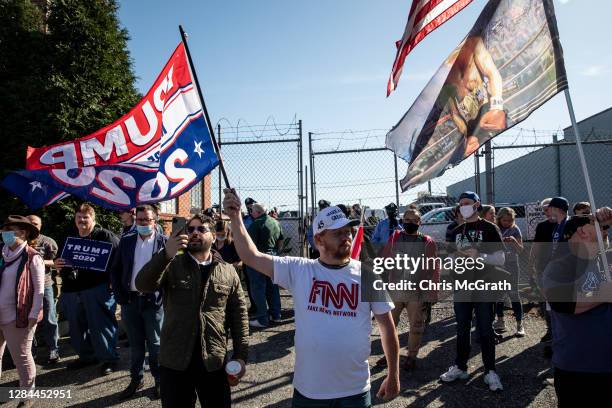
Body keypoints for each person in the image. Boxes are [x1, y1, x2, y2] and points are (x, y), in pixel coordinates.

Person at [223, 189, 400, 406]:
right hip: (310, 392)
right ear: (319, 239)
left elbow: (387, 329)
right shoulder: (299, 270)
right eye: (338, 233)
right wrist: (235, 217)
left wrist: (393, 374)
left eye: (348, 231)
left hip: (356, 390)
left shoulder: (368, 274)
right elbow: (251, 256)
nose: (347, 236)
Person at [136, 213, 248, 408]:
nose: (195, 233)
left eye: (201, 229)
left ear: (213, 236)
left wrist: (240, 356)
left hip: (213, 361)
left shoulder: (228, 271)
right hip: (175, 361)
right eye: (190, 229)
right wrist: (166, 254)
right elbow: (143, 284)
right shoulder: (172, 264)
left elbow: (239, 316)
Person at [542, 209, 612, 407]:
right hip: (578, 367)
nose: (606, 231)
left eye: (605, 228)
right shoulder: (560, 265)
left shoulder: (607, 260)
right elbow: (561, 300)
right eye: (598, 226)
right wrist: (605, 293)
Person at [440, 191, 505, 392]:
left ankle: (490, 371)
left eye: (466, 203)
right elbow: (448, 261)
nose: (463, 207)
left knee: (485, 329)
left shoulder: (490, 228)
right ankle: (460, 366)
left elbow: (500, 259)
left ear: (477, 205)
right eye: (460, 204)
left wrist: (480, 255)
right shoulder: (455, 231)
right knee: (462, 328)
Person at [54, 203, 120, 375]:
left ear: (93, 218)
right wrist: (57, 263)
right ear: (75, 219)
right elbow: (59, 259)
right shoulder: (69, 237)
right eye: (79, 217)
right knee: (76, 327)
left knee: (101, 325)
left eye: (86, 217)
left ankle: (109, 359)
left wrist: (115, 280)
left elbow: (119, 259)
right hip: (71, 289)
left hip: (98, 287)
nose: (82, 220)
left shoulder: (105, 236)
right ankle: (86, 356)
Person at [110, 205, 166, 400]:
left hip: (154, 302)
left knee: (156, 344)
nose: (142, 223)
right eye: (139, 220)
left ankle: (160, 381)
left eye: (147, 220)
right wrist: (120, 296)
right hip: (130, 301)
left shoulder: (164, 243)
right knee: (136, 344)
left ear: (155, 221)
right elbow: (115, 270)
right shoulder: (126, 241)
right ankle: (136, 379)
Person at [376, 209, 439, 371]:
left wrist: (433, 291)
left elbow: (433, 268)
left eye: (414, 220)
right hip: (395, 289)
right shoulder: (395, 237)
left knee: (416, 325)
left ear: (420, 222)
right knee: (389, 325)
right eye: (406, 219)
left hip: (416, 292)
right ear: (402, 220)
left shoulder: (427, 241)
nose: (409, 223)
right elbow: (384, 259)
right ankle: (388, 354)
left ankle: (411, 356)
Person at [0, 216, 44, 408]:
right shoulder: (1, 255)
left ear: (24, 233)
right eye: (4, 230)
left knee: (22, 357)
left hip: (19, 316)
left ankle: (27, 396)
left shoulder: (33, 257)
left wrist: (33, 315)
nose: (6, 234)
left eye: (11, 230)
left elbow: (39, 289)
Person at [26, 215, 61, 365]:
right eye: (30, 223)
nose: (33, 225)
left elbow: (57, 262)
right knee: (27, 320)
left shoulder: (48, 242)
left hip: (45, 284)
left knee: (49, 318)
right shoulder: (20, 240)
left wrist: (37, 260)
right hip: (25, 287)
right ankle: (29, 352)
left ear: (40, 226)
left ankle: (53, 348)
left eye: (36, 223)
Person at [246, 203, 282, 328]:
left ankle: (262, 318)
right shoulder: (275, 222)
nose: (251, 213)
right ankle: (276, 315)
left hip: (258, 258)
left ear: (258, 212)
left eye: (252, 211)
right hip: (273, 256)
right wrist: (276, 253)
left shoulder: (255, 224)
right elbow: (280, 241)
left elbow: (249, 244)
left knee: (258, 288)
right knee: (272, 286)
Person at [493, 207, 525, 336]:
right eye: (504, 220)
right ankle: (500, 321)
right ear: (499, 219)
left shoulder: (515, 229)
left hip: (512, 265)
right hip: (498, 265)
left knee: (514, 293)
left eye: (510, 220)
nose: (507, 222)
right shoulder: (495, 229)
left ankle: (520, 324)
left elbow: (521, 250)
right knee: (498, 294)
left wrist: (514, 242)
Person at [529, 198, 556, 345]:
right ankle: (550, 330)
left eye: (549, 208)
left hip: (562, 270)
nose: (546, 212)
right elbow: (536, 246)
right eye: (544, 209)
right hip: (543, 268)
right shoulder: (542, 226)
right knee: (545, 301)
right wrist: (530, 264)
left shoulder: (566, 224)